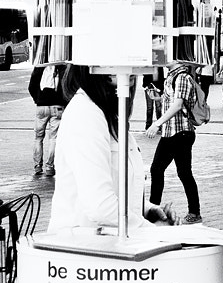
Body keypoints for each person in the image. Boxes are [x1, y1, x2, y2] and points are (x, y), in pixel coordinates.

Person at [48, 65, 170, 232]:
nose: (133, 71)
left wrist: (147, 210)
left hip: (102, 243)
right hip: (83, 245)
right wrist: (155, 232)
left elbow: (112, 187)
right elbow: (99, 206)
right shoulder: (86, 114)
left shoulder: (106, 113)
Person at [143, 60, 204, 224]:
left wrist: (156, 124)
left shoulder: (182, 77)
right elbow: (171, 101)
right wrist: (158, 98)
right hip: (174, 132)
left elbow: (177, 105)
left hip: (180, 132)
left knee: (158, 169)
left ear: (177, 60)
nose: (163, 58)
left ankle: (154, 210)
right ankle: (194, 212)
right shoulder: (171, 76)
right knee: (183, 173)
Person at [28, 63, 67, 179]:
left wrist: (38, 99)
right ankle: (50, 166)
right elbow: (67, 87)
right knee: (54, 138)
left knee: (38, 137)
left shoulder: (40, 66)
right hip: (58, 105)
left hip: (41, 106)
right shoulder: (63, 67)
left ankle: (37, 166)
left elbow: (31, 87)